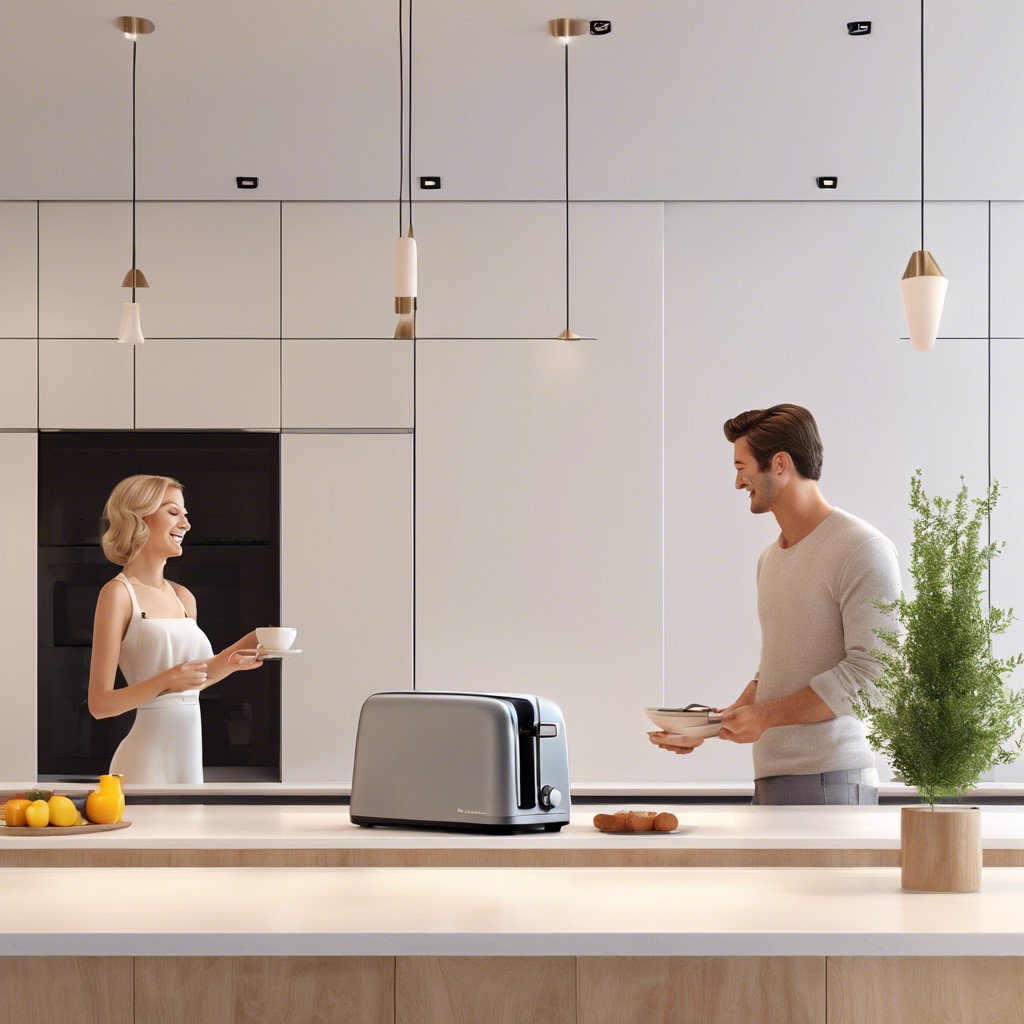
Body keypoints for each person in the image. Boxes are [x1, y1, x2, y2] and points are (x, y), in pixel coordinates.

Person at [650, 404, 901, 805]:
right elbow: (777, 670)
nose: (737, 483)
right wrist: (710, 727)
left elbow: (875, 676)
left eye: (741, 466)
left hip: (830, 780)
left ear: (780, 464)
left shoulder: (861, 549)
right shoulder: (769, 559)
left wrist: (764, 717)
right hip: (771, 778)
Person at [88, 474, 265, 784]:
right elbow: (100, 705)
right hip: (145, 762)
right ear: (139, 517)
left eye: (185, 514)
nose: (185, 524)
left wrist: (235, 658)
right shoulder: (118, 594)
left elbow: (190, 682)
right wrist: (168, 677)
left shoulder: (183, 597)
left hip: (188, 756)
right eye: (172, 512)